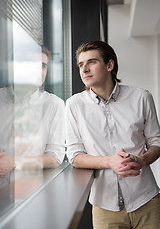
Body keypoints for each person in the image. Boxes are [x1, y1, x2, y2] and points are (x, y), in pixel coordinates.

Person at [66, 40, 160, 229]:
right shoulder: (74, 105)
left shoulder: (142, 97)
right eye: (81, 65)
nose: (84, 69)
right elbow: (75, 156)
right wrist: (110, 162)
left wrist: (141, 161)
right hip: (104, 207)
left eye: (91, 62)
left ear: (110, 65)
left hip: (147, 200)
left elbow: (156, 143)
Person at [0, 45, 65, 175]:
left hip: (32, 185)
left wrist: (14, 162)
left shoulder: (53, 104)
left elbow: (55, 158)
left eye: (43, 66)